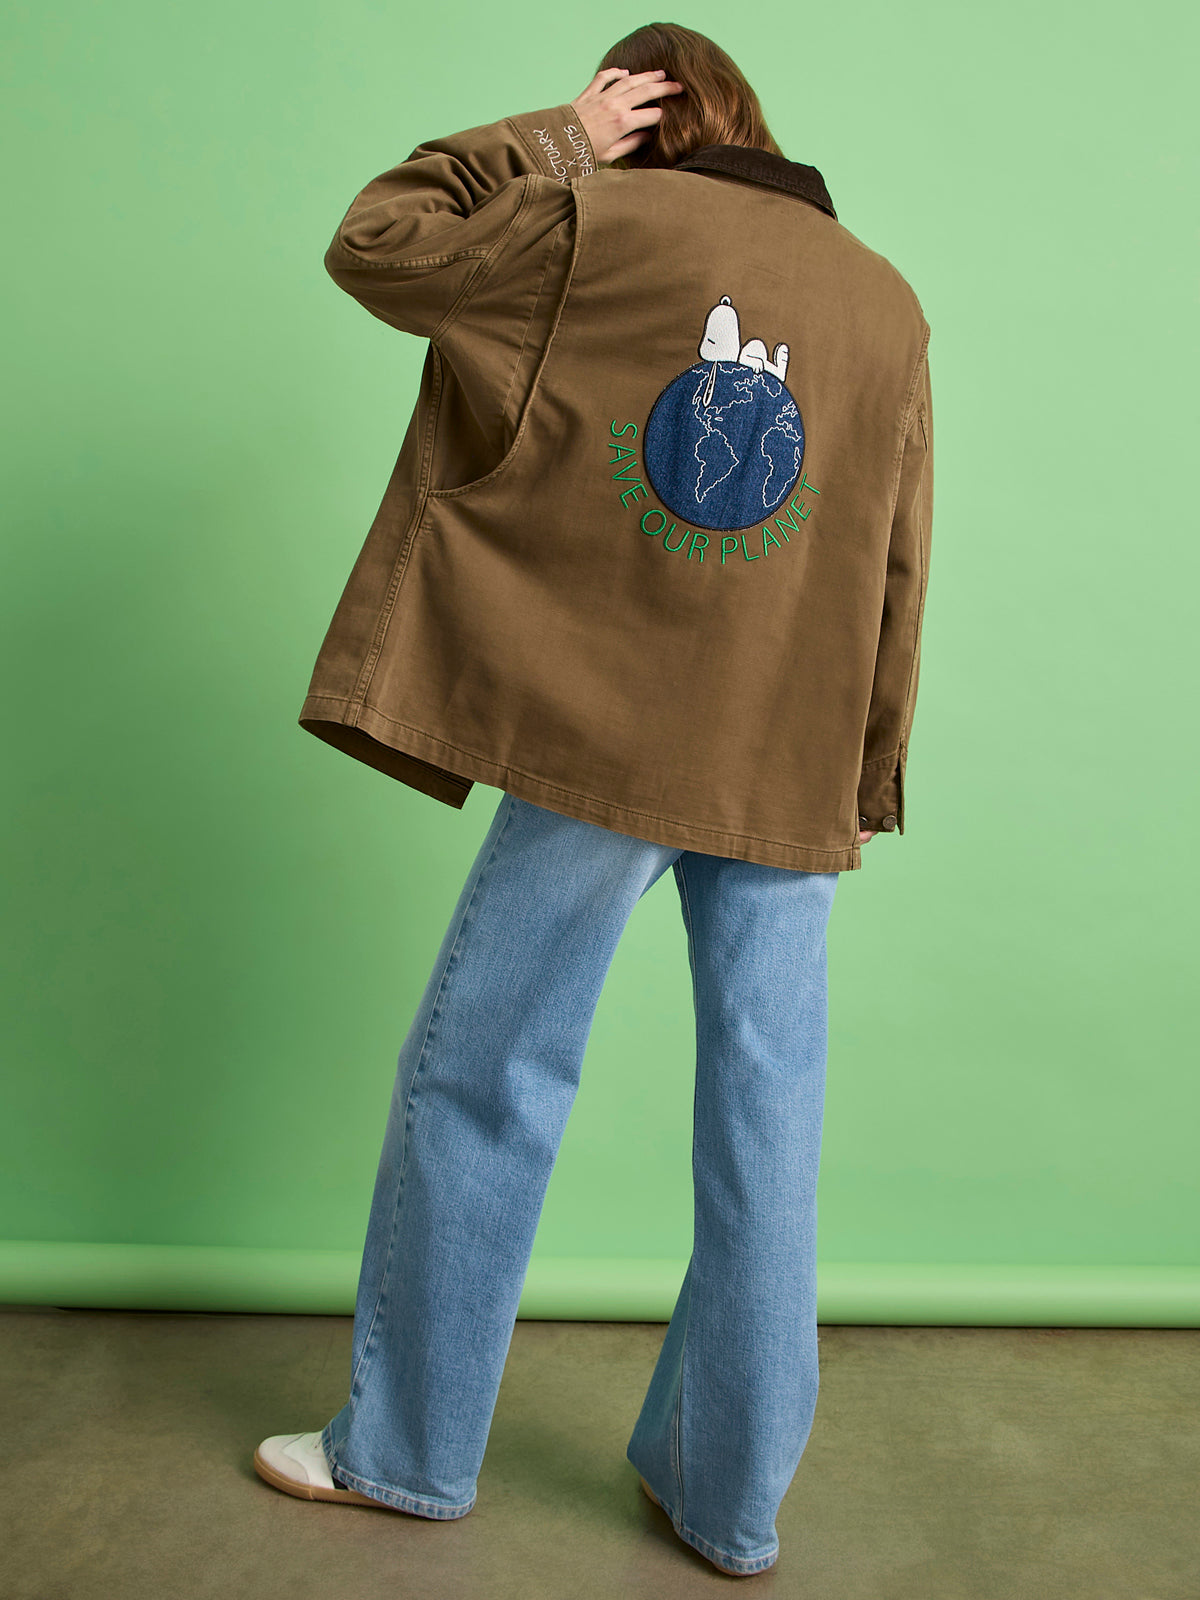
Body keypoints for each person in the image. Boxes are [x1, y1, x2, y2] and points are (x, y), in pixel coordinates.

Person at [255, 21, 934, 1580]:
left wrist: (554, 138)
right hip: (788, 754)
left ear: (648, 112)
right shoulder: (886, 302)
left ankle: (406, 1454)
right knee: (769, 1124)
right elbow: (899, 564)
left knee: (491, 1072)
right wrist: (867, 770)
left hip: (607, 741)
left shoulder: (585, 216)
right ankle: (728, 1503)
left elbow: (381, 244)